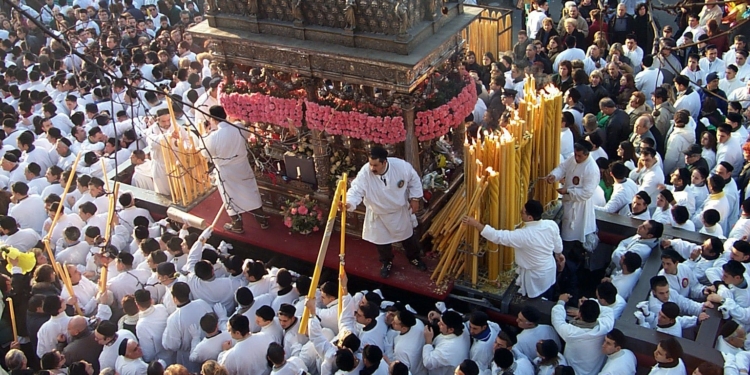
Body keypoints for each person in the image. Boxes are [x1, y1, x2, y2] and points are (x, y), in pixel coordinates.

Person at [345, 146, 426, 278]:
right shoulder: (365, 172)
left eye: (375, 165)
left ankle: (414, 258)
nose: (372, 168)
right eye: (370, 164)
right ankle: (386, 262)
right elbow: (356, 190)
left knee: (408, 238)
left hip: (398, 211)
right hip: (378, 213)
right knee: (382, 243)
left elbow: (414, 180)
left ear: (384, 162)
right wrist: (349, 203)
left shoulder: (401, 167)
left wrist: (415, 198)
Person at [462, 200, 562, 298]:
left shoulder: (524, 235)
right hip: (549, 269)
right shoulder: (551, 224)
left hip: (535, 277)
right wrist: (559, 254)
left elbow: (497, 236)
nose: (520, 214)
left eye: (522, 212)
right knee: (549, 292)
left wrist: (475, 224)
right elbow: (557, 243)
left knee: (536, 299)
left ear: (530, 217)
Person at [202, 105, 268, 233]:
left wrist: (206, 133)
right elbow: (248, 135)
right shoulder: (238, 127)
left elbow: (206, 153)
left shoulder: (213, 137)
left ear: (212, 119)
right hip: (242, 166)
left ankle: (237, 225)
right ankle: (262, 220)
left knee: (231, 197)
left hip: (227, 171)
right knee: (250, 193)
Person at [546, 142, 599, 262]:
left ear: (586, 154)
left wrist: (568, 191)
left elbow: (587, 193)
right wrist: (554, 176)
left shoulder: (591, 169)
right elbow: (563, 168)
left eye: (579, 156)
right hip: (569, 203)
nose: (576, 158)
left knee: (571, 236)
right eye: (575, 154)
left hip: (580, 207)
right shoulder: (572, 158)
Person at [551, 294, 614, 375]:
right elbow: (608, 311)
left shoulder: (571, 333)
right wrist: (590, 303)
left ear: (579, 314)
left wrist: (561, 302)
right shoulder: (606, 326)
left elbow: (557, 319)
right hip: (595, 370)